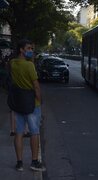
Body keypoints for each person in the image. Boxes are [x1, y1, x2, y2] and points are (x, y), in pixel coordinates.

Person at [9, 39, 45, 171]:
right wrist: (40, 101)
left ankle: (19, 163)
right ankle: (34, 162)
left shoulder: (12, 63)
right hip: (31, 103)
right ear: (21, 50)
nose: (31, 51)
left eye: (31, 49)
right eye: (29, 48)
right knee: (34, 132)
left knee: (19, 132)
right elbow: (36, 86)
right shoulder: (29, 66)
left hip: (18, 102)